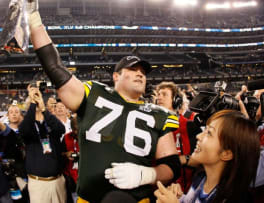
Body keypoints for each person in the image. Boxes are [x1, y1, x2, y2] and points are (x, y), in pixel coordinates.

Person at [26, 2, 182, 202]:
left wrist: (147, 174)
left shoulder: (159, 114)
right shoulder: (95, 93)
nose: (140, 75)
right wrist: (34, 20)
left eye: (143, 72)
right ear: (116, 76)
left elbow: (172, 165)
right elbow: (55, 68)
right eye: (133, 70)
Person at [154, 110, 260, 203]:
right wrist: (179, 197)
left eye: (209, 133)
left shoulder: (236, 199)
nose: (198, 136)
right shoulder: (201, 178)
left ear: (226, 153)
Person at [19, 85, 66, 203]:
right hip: (38, 183)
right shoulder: (28, 126)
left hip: (58, 181)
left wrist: (44, 109)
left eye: (36, 102)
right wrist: (33, 104)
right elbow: (24, 130)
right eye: (32, 104)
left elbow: (61, 129)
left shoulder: (50, 121)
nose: (35, 105)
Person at [155, 82, 197, 192]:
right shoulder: (151, 127)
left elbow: (201, 160)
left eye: (164, 94)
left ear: (176, 100)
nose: (159, 97)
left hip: (185, 191)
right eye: (158, 94)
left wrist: (181, 160)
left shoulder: (189, 126)